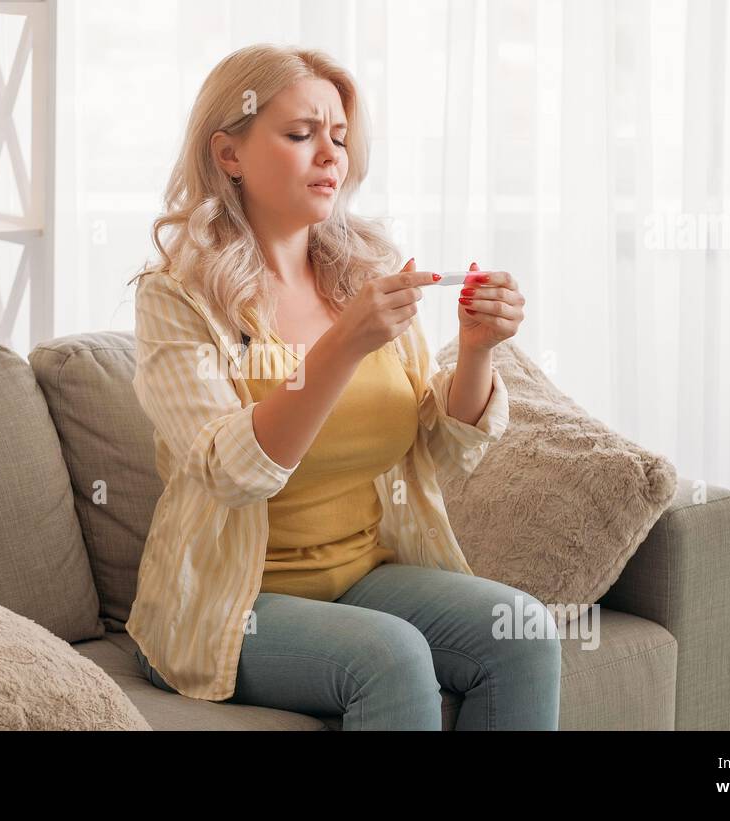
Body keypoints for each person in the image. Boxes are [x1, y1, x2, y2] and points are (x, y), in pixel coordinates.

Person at [123, 43, 558, 730]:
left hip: (363, 574)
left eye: (339, 137)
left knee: (522, 630)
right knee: (390, 655)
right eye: (300, 135)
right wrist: (343, 344)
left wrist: (477, 351)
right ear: (228, 154)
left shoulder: (363, 274)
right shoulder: (177, 296)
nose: (331, 155)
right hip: (228, 602)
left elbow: (441, 453)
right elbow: (230, 472)